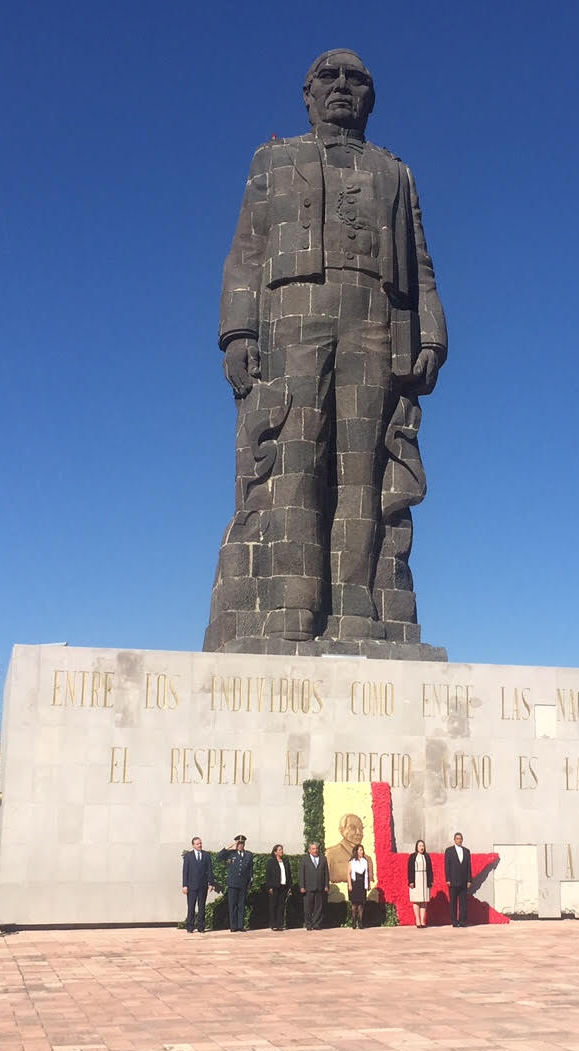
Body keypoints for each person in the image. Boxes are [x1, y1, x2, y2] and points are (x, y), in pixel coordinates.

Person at [203, 48, 449, 651]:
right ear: (307, 95)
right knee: (293, 454)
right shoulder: (274, 158)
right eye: (329, 78)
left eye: (356, 79)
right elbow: (247, 252)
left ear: (370, 96)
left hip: (374, 320)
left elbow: (420, 265)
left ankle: (358, 609)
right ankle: (288, 605)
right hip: (291, 319)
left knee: (364, 468)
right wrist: (237, 332)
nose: (342, 87)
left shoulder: (397, 173)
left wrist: (433, 334)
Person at [325, 814, 373, 894]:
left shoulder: (367, 859)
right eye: (353, 828)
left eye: (361, 829)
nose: (358, 833)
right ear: (341, 830)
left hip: (361, 890)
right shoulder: (330, 854)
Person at [217, 835, 254, 932]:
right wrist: (228, 847)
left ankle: (240, 925)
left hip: (243, 884)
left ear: (244, 844)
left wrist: (250, 881)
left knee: (241, 905)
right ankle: (233, 926)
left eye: (242, 844)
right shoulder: (230, 853)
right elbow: (219, 856)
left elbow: (250, 869)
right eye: (238, 844)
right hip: (233, 884)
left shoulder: (248, 854)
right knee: (232, 905)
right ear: (236, 844)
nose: (240, 846)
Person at [181, 836, 214, 934]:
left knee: (202, 907)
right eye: (197, 844)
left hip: (203, 886)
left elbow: (209, 870)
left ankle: (201, 927)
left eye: (200, 843)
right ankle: (190, 927)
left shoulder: (206, 855)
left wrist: (211, 883)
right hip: (191, 886)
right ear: (193, 845)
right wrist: (184, 885)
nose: (200, 845)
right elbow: (185, 871)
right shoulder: (188, 856)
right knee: (191, 907)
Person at [299, 841, 329, 930]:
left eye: (316, 848)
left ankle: (316, 924)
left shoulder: (323, 858)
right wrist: (302, 886)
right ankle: (308, 924)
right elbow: (301, 874)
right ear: (309, 850)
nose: (315, 850)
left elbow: (326, 873)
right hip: (308, 887)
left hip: (320, 886)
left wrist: (326, 885)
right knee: (307, 907)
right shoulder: (305, 859)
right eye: (313, 849)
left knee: (318, 907)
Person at [444, 832, 472, 927]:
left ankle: (463, 921)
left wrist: (469, 880)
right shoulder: (449, 851)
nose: (459, 840)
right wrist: (448, 879)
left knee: (463, 902)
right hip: (453, 881)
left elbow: (469, 867)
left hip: (464, 881)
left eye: (460, 838)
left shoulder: (466, 851)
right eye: (457, 838)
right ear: (454, 840)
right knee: (453, 902)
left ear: (462, 840)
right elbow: (447, 866)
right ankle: (454, 921)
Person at [265, 844, 293, 930]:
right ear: (275, 852)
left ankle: (279, 924)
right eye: (280, 850)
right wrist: (269, 887)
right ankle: (273, 924)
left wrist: (289, 886)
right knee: (273, 905)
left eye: (282, 849)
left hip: (283, 886)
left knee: (281, 906)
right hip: (274, 887)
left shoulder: (285, 861)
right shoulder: (271, 862)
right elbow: (268, 875)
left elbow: (289, 874)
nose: (282, 851)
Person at [407, 839, 433, 927]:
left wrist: (430, 881)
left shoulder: (427, 856)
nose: (421, 847)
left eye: (423, 846)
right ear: (416, 847)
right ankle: (417, 920)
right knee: (416, 900)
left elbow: (430, 870)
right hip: (416, 879)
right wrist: (411, 881)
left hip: (425, 879)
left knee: (424, 901)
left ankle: (422, 920)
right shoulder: (413, 856)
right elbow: (410, 869)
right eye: (420, 846)